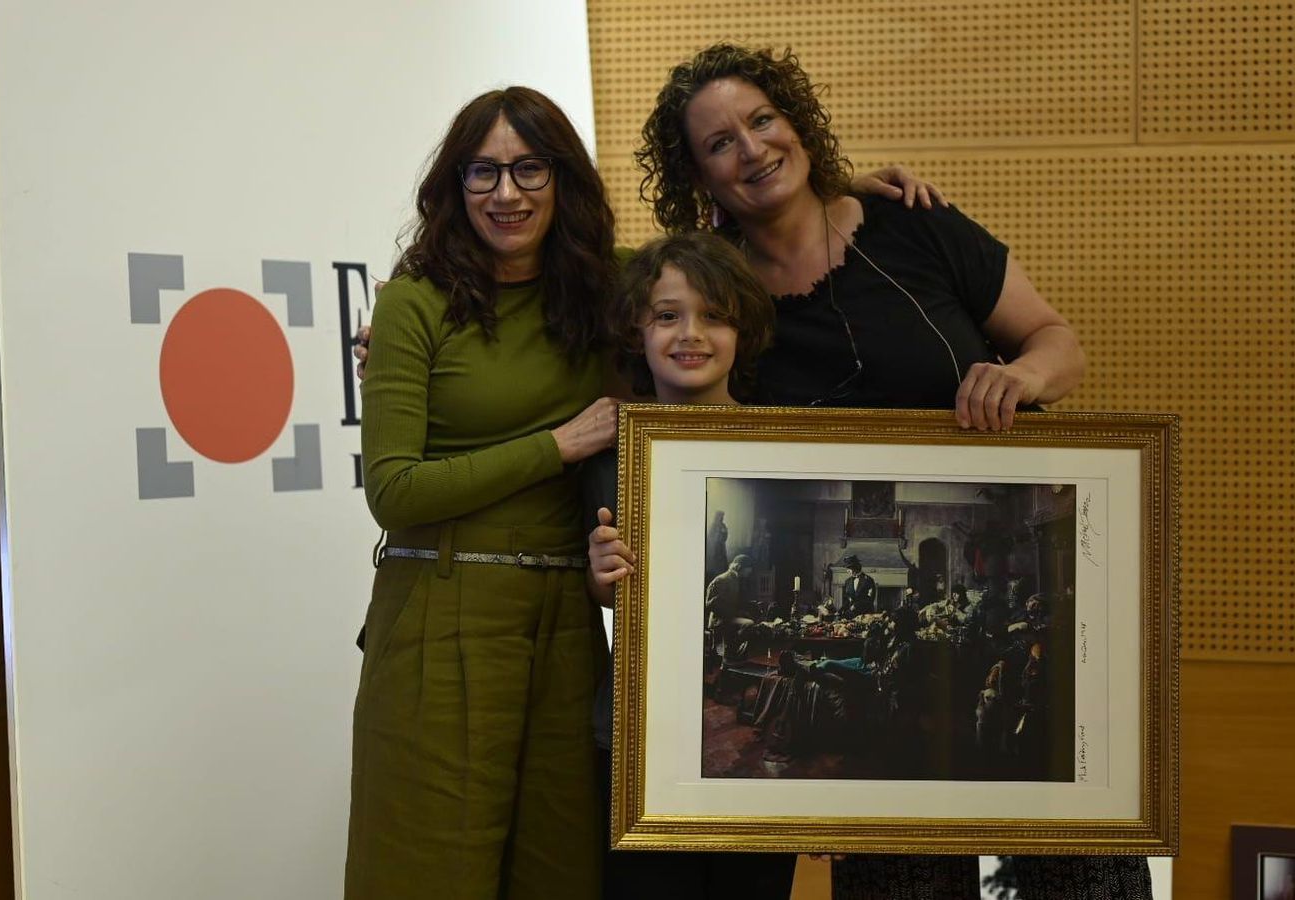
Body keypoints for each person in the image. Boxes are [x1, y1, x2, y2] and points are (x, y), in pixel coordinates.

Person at [637, 41, 1146, 900]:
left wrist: (1022, 378)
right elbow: (620, 318)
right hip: (886, 780)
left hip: (1064, 689)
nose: (753, 149)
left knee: (1081, 873)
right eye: (720, 142)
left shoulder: (915, 225)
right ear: (697, 173)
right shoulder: (712, 292)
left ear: (797, 122)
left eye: (763, 120)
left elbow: (1059, 341)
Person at [348, 87, 621, 900]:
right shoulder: (414, 302)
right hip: (441, 608)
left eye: (529, 168)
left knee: (562, 877)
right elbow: (394, 490)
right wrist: (556, 445)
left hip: (569, 625)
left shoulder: (609, 294)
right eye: (483, 172)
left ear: (563, 179)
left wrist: (846, 195)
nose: (507, 193)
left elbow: (725, 266)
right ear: (455, 184)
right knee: (429, 874)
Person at [580, 232, 797, 900]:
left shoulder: (792, 445)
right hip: (638, 742)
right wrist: (600, 576)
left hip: (752, 786)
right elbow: (612, 599)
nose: (691, 334)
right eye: (667, 315)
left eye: (715, 315)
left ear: (743, 331)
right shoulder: (608, 457)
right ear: (637, 331)